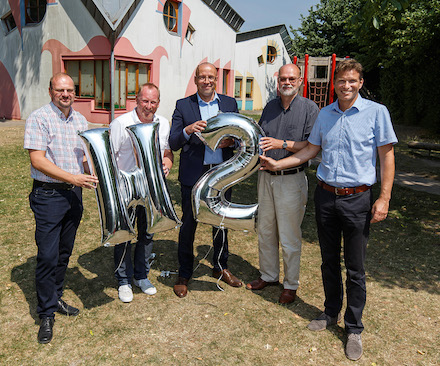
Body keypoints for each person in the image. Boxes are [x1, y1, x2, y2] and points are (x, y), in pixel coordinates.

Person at [260, 59, 397, 361]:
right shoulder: (325, 114)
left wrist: (384, 198)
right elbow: (311, 150)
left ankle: (354, 327)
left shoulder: (376, 113)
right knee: (328, 261)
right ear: (334, 84)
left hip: (358, 199)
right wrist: (278, 163)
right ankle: (331, 311)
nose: (346, 86)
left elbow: (387, 157)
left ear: (361, 83)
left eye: (352, 81)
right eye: (341, 81)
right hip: (326, 196)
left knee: (356, 267)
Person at [24, 73, 99, 344]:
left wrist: (96, 173)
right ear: (50, 91)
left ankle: (55, 298)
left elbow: (84, 158)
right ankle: (46, 314)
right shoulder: (39, 117)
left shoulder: (80, 120)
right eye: (60, 89)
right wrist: (73, 178)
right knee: (47, 255)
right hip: (48, 196)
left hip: (74, 195)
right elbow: (38, 160)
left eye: (69, 90)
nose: (65, 94)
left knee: (64, 253)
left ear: (74, 93)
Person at [246, 64, 319, 304]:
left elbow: (312, 146)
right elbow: (260, 138)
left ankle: (290, 284)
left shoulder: (310, 109)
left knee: (289, 235)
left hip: (291, 179)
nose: (287, 82)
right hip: (265, 177)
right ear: (278, 82)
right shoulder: (269, 106)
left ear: (300, 81)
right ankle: (268, 275)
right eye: (283, 79)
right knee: (265, 230)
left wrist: (282, 144)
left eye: (291, 78)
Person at [169, 62, 242, 298]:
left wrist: (232, 142)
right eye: (202, 77)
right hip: (194, 175)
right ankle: (184, 272)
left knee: (221, 222)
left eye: (211, 77)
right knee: (189, 223)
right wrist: (188, 129)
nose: (207, 81)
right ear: (196, 79)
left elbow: (241, 136)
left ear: (216, 79)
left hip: (222, 173)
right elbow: (173, 142)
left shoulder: (229, 103)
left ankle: (220, 267)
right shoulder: (183, 105)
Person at [109, 83, 173, 303]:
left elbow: (167, 151)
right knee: (124, 234)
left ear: (158, 103)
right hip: (126, 188)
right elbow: (110, 156)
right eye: (145, 101)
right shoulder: (121, 123)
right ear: (136, 100)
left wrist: (167, 162)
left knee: (147, 233)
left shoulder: (163, 123)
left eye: (153, 102)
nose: (149, 106)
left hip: (151, 188)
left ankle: (141, 276)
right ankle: (123, 281)